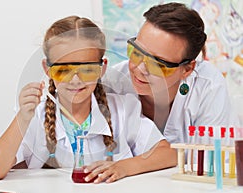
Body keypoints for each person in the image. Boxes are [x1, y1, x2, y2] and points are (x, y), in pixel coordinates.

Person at [0, 16, 176, 180]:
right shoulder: (36, 114)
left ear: (102, 69)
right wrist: (23, 116)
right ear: (47, 69)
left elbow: (169, 154)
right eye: (63, 70)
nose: (75, 80)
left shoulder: (123, 110)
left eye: (87, 70)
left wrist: (124, 167)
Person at [85, 2, 238, 183]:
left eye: (158, 64)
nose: (140, 69)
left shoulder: (208, 87)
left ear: (187, 69)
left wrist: (127, 166)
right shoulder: (113, 83)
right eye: (136, 52)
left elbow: (213, 162)